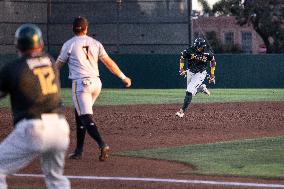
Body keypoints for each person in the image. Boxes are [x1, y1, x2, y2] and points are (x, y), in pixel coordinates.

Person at [0, 24, 70, 189]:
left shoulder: (13, 68)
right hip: (60, 128)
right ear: (41, 45)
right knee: (55, 179)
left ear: (17, 45)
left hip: (34, 128)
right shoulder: (50, 61)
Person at [56, 16, 131, 161]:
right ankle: (78, 151)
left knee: (85, 116)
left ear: (73, 29)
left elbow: (58, 65)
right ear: (86, 29)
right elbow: (109, 63)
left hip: (81, 84)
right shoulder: (95, 43)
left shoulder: (69, 44)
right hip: (96, 84)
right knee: (80, 114)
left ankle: (102, 144)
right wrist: (123, 77)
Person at [176, 37, 216, 118]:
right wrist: (181, 68)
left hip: (200, 73)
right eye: (197, 46)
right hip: (190, 72)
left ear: (203, 46)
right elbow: (182, 58)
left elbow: (213, 61)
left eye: (200, 46)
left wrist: (212, 74)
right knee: (191, 93)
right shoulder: (190, 50)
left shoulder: (207, 53)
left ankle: (182, 111)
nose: (198, 48)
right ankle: (201, 88)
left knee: (189, 90)